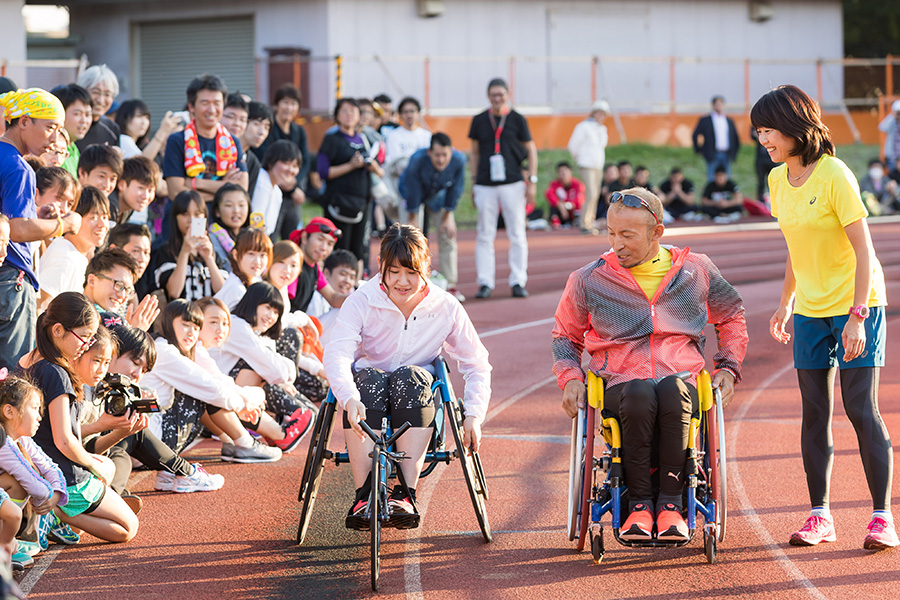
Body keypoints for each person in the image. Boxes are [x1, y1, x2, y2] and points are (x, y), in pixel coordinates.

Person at [552, 187, 747, 542]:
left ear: (657, 232)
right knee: (641, 392)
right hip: (619, 383)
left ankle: (671, 506)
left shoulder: (695, 270)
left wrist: (728, 368)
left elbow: (731, 314)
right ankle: (639, 505)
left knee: (672, 389)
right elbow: (565, 336)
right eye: (611, 233)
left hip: (681, 379)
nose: (617, 244)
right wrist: (570, 378)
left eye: (627, 235)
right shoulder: (589, 279)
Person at [753, 84, 898, 550]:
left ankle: (882, 517)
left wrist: (857, 316)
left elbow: (863, 249)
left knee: (860, 408)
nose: (764, 140)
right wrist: (785, 301)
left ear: (795, 127)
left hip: (858, 303)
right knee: (815, 411)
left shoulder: (834, 173)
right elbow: (796, 247)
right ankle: (821, 517)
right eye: (758, 132)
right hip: (812, 308)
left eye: (770, 130)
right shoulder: (777, 181)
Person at [325, 223, 491, 529]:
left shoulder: (445, 306)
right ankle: (364, 495)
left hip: (417, 397)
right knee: (371, 380)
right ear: (381, 268)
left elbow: (476, 363)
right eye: (394, 272)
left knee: (411, 377)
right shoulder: (361, 300)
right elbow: (337, 353)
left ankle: (404, 493)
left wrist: (474, 415)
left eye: (411, 272)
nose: (403, 282)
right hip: (366, 393)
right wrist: (347, 398)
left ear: (426, 267)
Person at [17, 292, 139, 543]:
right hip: (62, 476)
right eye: (84, 337)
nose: (86, 344)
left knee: (106, 465)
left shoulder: (27, 360)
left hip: (34, 464)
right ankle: (59, 511)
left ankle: (63, 513)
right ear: (58, 330)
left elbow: (49, 431)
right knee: (129, 529)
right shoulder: (56, 373)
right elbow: (64, 441)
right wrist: (92, 467)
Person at [141, 299, 288, 462]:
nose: (191, 333)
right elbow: (214, 389)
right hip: (152, 444)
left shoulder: (168, 348)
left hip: (149, 440)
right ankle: (246, 444)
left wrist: (249, 399)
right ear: (169, 322)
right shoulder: (165, 351)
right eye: (185, 325)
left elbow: (217, 382)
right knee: (204, 392)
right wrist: (244, 405)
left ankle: (235, 442)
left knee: (208, 389)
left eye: (196, 328)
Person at [0, 88, 80, 369]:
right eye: (50, 128)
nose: (55, 139)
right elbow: (17, 230)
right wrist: (63, 224)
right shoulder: (19, 167)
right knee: (13, 377)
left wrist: (38, 216)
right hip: (10, 281)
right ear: (23, 121)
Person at [468, 78, 538, 299]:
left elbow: (531, 149)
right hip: (485, 184)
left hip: (513, 182)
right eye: (493, 95)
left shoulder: (517, 119)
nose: (497, 99)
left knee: (517, 233)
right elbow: (475, 152)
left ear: (508, 95)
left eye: (501, 94)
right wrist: (473, 180)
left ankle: (518, 280)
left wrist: (533, 181)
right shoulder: (479, 120)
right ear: (488, 96)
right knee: (484, 235)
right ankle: (485, 282)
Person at [0, 374, 67, 568]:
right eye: (35, 408)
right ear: (9, 411)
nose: (40, 417)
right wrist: (46, 500)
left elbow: (50, 466)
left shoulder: (23, 440)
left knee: (19, 483)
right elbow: (32, 482)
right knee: (20, 484)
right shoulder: (3, 442)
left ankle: (7, 542)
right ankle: (5, 547)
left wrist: (56, 493)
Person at [398, 132, 467, 301]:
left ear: (451, 152)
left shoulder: (459, 160)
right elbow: (412, 189)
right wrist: (413, 216)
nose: (441, 160)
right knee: (411, 238)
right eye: (437, 155)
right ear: (429, 152)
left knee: (448, 234)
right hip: (411, 194)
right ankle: (412, 283)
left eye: (445, 155)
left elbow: (456, 190)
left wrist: (448, 216)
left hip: (438, 196)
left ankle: (450, 285)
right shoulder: (417, 160)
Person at [317, 98, 383, 266]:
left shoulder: (363, 139)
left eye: (353, 111)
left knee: (358, 250)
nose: (349, 115)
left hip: (361, 203)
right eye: (344, 111)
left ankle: (355, 286)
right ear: (337, 115)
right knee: (339, 249)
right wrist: (350, 165)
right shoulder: (332, 139)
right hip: (338, 203)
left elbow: (380, 171)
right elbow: (323, 171)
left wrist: (371, 166)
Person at [162, 74, 248, 204]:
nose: (212, 110)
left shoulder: (232, 142)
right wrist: (225, 188)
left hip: (219, 221)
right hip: (184, 220)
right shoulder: (177, 141)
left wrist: (194, 183)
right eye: (205, 103)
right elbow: (176, 192)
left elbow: (241, 188)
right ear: (191, 107)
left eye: (217, 103)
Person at [254, 84, 311, 241]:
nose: (289, 107)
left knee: (292, 239)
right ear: (276, 105)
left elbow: (305, 161)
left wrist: (295, 185)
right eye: (285, 102)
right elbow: (263, 157)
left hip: (292, 196)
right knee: (268, 236)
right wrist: (289, 185)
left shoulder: (298, 131)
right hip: (271, 188)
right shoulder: (268, 129)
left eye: (293, 103)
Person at [38, 187, 110, 309]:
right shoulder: (65, 256)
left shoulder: (76, 255)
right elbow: (40, 305)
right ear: (74, 218)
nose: (102, 224)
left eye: (105, 217)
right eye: (93, 217)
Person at [151, 190, 225, 302]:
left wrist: (209, 258)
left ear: (205, 216)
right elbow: (174, 292)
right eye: (185, 214)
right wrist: (185, 252)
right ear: (175, 217)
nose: (191, 220)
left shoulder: (212, 252)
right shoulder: (166, 251)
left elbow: (223, 292)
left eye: (197, 214)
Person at [82, 248, 159, 331]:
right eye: (118, 285)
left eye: (128, 291)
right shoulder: (78, 315)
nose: (122, 296)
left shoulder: (110, 320)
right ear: (92, 280)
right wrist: (133, 335)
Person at [384, 96, 432, 222]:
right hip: (402, 186)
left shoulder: (426, 136)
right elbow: (394, 163)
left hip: (424, 185)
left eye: (412, 111)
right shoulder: (393, 136)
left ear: (418, 113)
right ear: (400, 115)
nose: (409, 115)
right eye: (406, 112)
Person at [287, 217, 348, 313]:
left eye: (329, 244)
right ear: (304, 237)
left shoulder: (314, 268)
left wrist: (361, 297)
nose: (324, 248)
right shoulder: (291, 263)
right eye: (320, 239)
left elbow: (333, 298)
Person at [567, 100, 610, 234]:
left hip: (598, 164)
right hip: (587, 164)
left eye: (604, 114)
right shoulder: (583, 127)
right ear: (594, 112)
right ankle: (584, 224)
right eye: (599, 112)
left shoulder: (602, 129)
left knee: (595, 194)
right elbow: (573, 145)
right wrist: (580, 158)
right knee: (591, 193)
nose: (601, 116)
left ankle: (590, 222)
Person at [251, 140, 301, 238]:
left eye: (295, 166)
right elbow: (254, 226)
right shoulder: (261, 182)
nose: (291, 170)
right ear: (271, 162)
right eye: (286, 163)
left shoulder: (277, 191)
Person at [214, 228, 272, 310]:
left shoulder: (257, 280)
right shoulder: (236, 289)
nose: (257, 261)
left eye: (262, 255)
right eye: (251, 254)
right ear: (235, 255)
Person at [693, 95, 740, 182]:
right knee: (711, 179)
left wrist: (734, 152)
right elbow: (695, 134)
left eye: (720, 104)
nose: (719, 106)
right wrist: (699, 150)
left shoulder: (729, 120)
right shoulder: (706, 120)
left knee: (727, 179)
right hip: (712, 154)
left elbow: (735, 137)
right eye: (717, 104)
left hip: (726, 154)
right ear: (713, 105)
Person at [49, 84, 92, 177]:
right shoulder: (50, 149)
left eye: (88, 115)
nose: (84, 120)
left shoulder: (73, 148)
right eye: (77, 114)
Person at [76, 65, 121, 150]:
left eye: (107, 94)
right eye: (95, 92)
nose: (101, 100)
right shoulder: (70, 125)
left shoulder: (112, 129)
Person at [208, 183, 250, 271]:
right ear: (217, 211)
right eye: (229, 205)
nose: (236, 211)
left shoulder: (251, 236)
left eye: (241, 205)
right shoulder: (211, 237)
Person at [238, 101, 272, 195]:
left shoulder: (253, 163)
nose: (262, 132)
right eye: (257, 124)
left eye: (266, 127)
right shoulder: (223, 151)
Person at [115, 156, 158, 226]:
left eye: (150, 190)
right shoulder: (107, 207)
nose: (146, 196)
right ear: (122, 185)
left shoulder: (128, 207)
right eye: (141, 188)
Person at [544, 161, 585, 229]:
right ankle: (556, 223)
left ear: (570, 172)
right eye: (560, 171)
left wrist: (567, 205)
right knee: (553, 207)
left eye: (565, 171)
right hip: (561, 212)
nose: (563, 174)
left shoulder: (577, 184)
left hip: (573, 211)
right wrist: (559, 204)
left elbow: (579, 199)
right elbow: (549, 194)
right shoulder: (555, 184)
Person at [878, 99, 900, 170]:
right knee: (893, 175)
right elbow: (882, 127)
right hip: (893, 156)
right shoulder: (892, 122)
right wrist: (892, 115)